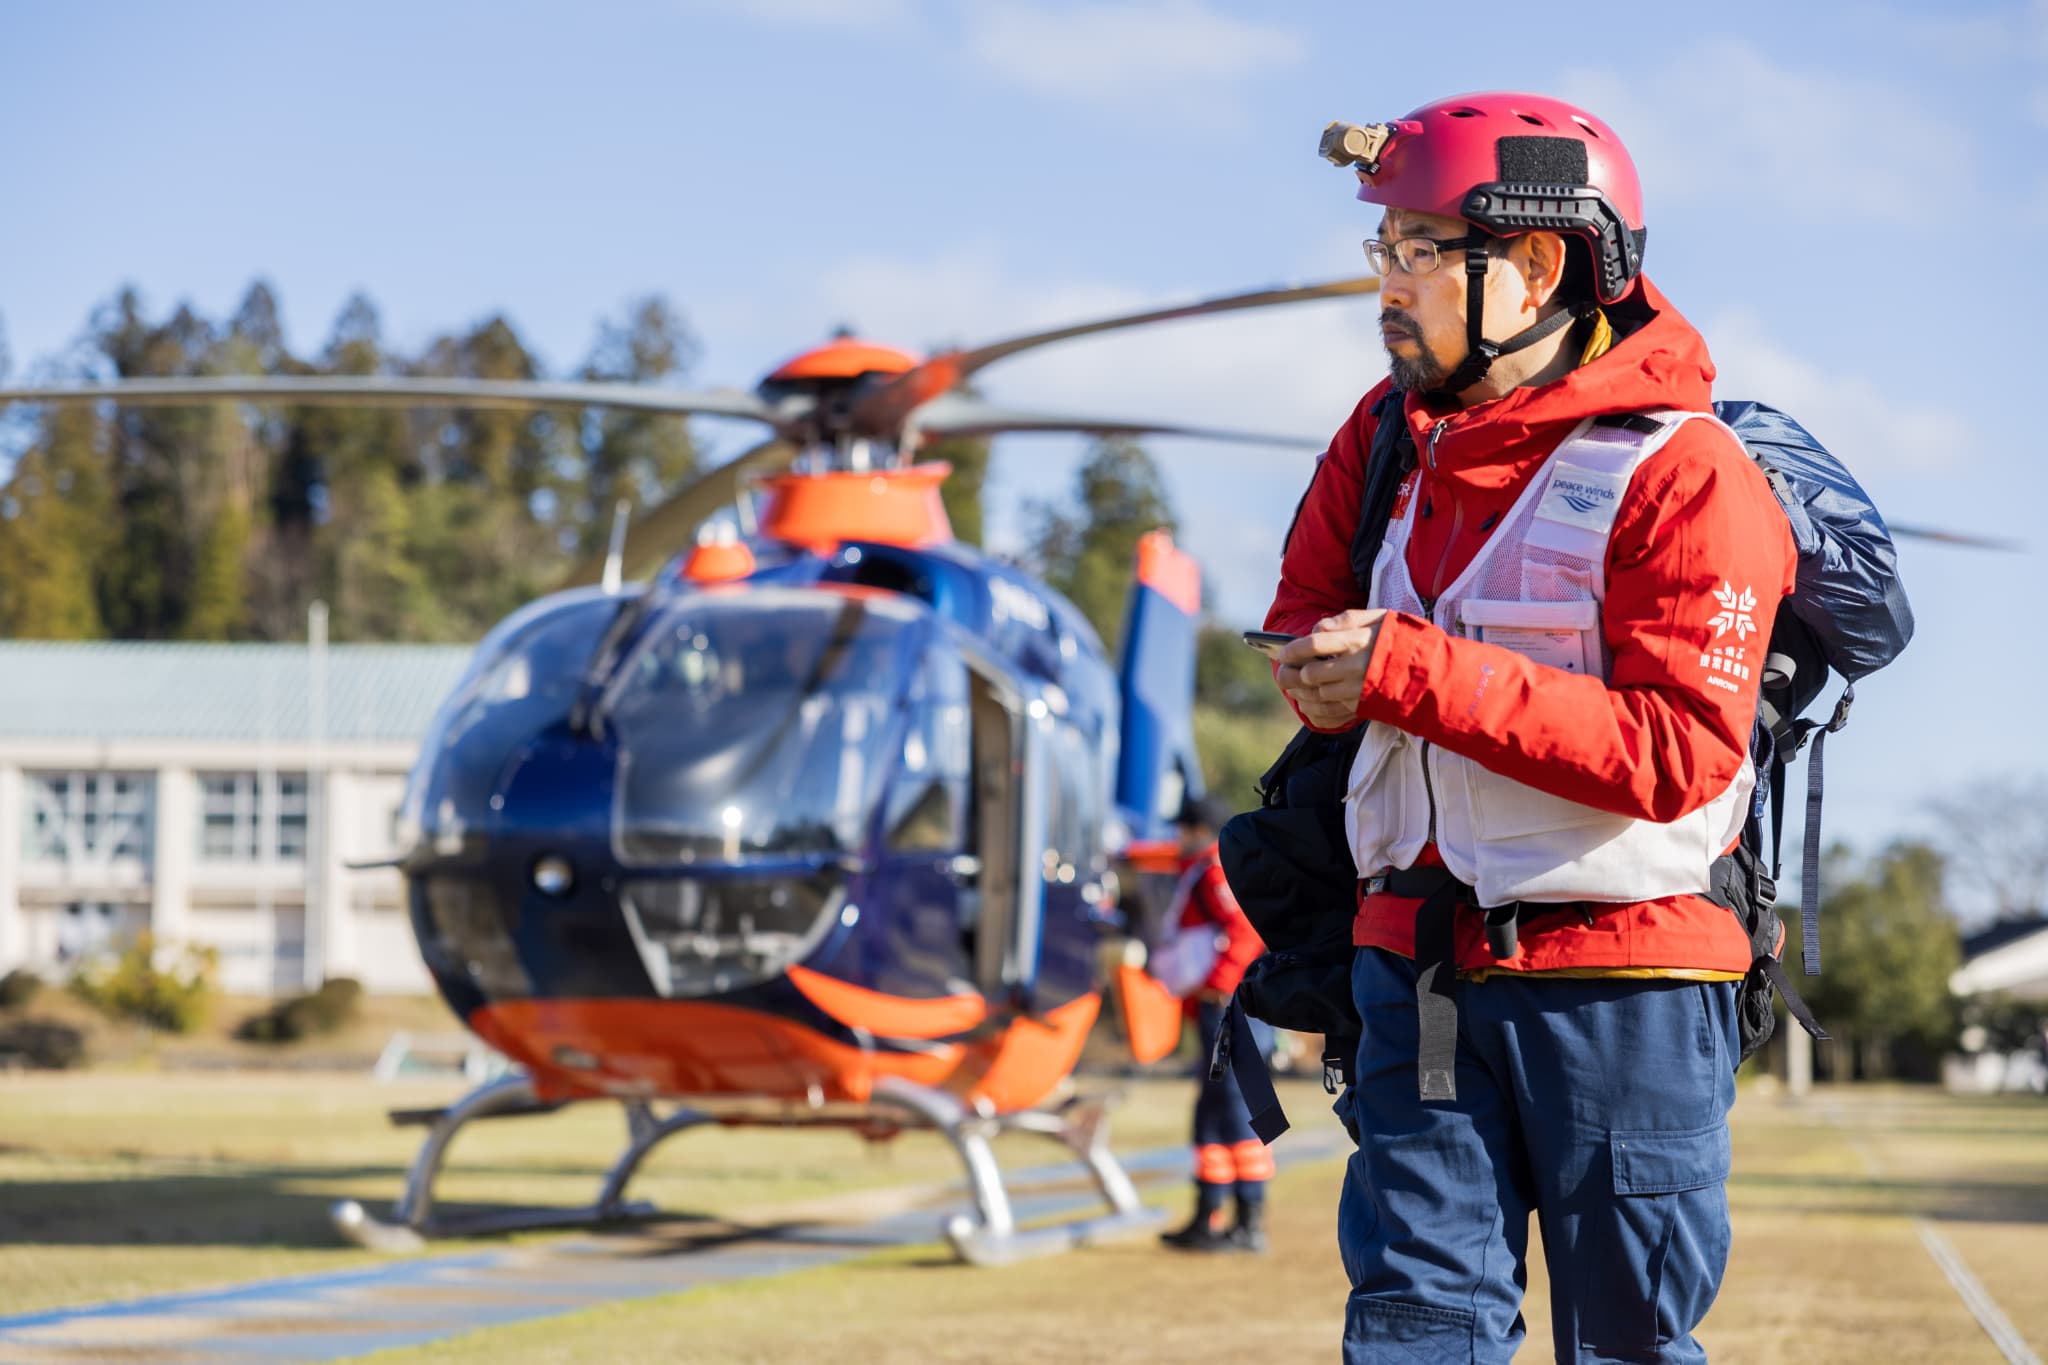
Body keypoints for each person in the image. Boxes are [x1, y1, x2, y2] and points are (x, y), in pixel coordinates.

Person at [1266, 93, 1795, 1361]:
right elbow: (1302, 619)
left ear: (1537, 265)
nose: (1384, 286)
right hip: (1415, 972)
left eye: (1417, 252)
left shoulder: (1685, 474)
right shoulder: (1385, 436)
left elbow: (1677, 752)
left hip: (1626, 984)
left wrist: (1405, 671)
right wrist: (1317, 675)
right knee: (1410, 1329)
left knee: (1627, 1343)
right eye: (1378, 251)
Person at [1156, 794, 1273, 1253]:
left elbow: (1243, 929)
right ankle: (1210, 1214)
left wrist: (1221, 984)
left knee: (1239, 1106)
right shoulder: (1206, 869)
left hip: (1230, 1005)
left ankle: (1248, 1220)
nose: (1179, 837)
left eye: (1183, 828)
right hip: (1221, 1004)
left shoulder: (1215, 869)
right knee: (1213, 1107)